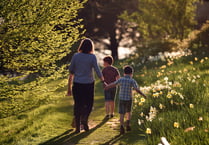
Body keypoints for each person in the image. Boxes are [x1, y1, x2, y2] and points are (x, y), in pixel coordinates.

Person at [67, 38, 104, 133]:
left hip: (78, 83)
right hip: (89, 84)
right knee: (89, 104)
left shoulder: (76, 56)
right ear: (91, 47)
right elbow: (97, 69)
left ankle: (78, 128)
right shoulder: (92, 57)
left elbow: (71, 70)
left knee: (78, 104)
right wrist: (103, 80)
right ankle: (85, 118)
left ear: (81, 46)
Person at [105, 65, 148, 134]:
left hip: (122, 99)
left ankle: (121, 126)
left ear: (124, 73)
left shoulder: (121, 79)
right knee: (128, 112)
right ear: (131, 73)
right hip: (129, 99)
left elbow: (114, 84)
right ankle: (128, 124)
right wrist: (143, 95)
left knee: (121, 113)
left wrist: (107, 86)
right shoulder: (132, 80)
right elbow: (137, 89)